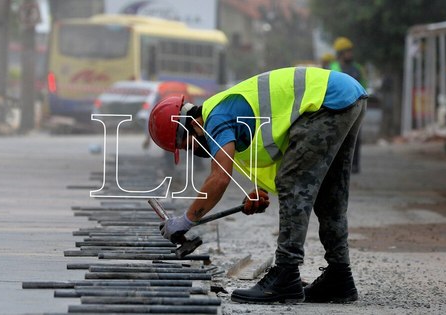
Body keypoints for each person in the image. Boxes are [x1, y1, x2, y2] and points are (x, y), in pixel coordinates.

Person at [149, 67, 366, 304]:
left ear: (193, 126)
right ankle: (339, 277)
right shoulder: (227, 116)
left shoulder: (215, 119)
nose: (193, 152)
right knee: (329, 192)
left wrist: (185, 220)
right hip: (344, 97)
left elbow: (220, 177)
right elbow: (286, 150)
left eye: (187, 146)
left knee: (294, 185)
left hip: (326, 99)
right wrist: (259, 192)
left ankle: (286, 274)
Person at [329, 37, 366, 173]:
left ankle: (354, 165)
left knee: (355, 138)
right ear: (340, 53)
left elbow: (364, 87)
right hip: (336, 109)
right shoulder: (332, 68)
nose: (350, 54)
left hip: (355, 108)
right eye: (347, 51)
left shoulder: (358, 69)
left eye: (351, 51)